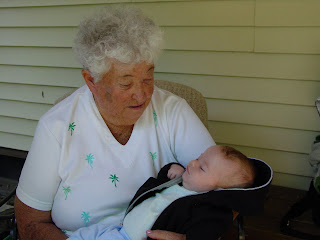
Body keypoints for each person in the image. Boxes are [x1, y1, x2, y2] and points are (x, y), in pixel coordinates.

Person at [14, 6, 215, 240]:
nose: (142, 95)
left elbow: (228, 185)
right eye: (126, 84)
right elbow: (30, 223)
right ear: (91, 81)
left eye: (148, 78)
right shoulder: (56, 127)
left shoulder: (173, 111)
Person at [67, 145, 273, 240]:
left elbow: (208, 233)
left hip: (133, 237)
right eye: (198, 157)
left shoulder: (210, 210)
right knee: (85, 233)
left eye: (202, 167)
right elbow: (157, 184)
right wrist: (172, 169)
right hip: (119, 225)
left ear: (219, 191)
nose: (192, 163)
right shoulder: (184, 183)